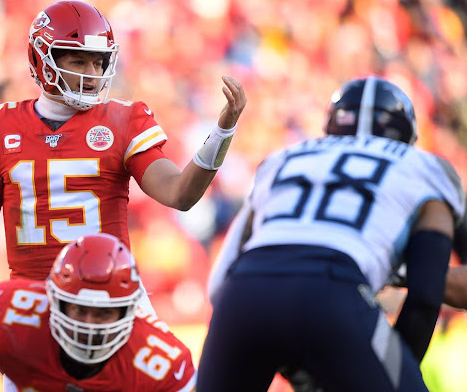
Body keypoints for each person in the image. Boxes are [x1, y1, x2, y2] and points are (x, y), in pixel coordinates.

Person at [0, 0, 246, 329]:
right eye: (79, 61)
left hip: (111, 301)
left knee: (175, 364)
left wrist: (222, 131)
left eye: (98, 62)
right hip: (36, 304)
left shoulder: (124, 120)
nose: (93, 74)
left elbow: (180, 194)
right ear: (43, 60)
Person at [197, 75, 465, 392]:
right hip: (334, 291)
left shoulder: (283, 157)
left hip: (243, 294)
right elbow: (425, 296)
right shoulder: (426, 168)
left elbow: (219, 281)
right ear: (408, 134)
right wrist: (398, 369)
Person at [0, 233, 197, 391]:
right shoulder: (15, 315)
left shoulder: (163, 363)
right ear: (54, 300)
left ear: (128, 311)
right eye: (79, 308)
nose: (88, 324)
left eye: (102, 313)